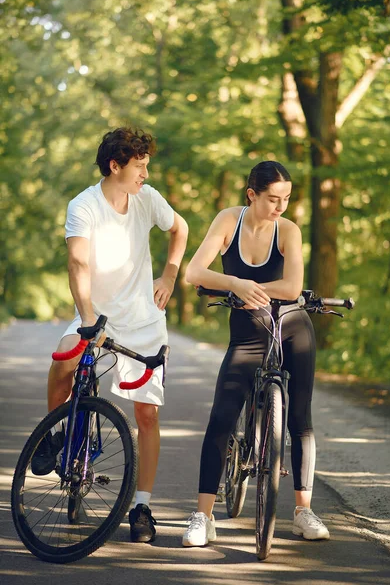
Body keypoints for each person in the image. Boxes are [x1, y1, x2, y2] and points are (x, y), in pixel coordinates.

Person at [31, 127, 188, 544]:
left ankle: (141, 505)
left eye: (147, 164)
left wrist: (170, 274)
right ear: (115, 166)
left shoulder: (146, 198)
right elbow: (78, 264)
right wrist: (87, 320)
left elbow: (180, 229)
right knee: (64, 356)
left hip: (143, 319)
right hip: (95, 314)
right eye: (140, 166)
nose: (146, 173)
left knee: (147, 415)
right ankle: (54, 431)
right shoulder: (83, 206)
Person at [182, 160, 330, 547]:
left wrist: (247, 289)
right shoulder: (228, 221)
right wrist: (235, 282)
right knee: (222, 415)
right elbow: (193, 272)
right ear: (251, 195)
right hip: (248, 336)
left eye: (286, 199)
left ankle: (302, 511)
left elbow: (294, 286)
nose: (280, 206)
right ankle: (203, 516)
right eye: (272, 199)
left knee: (300, 417)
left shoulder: (289, 230)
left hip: (293, 326)